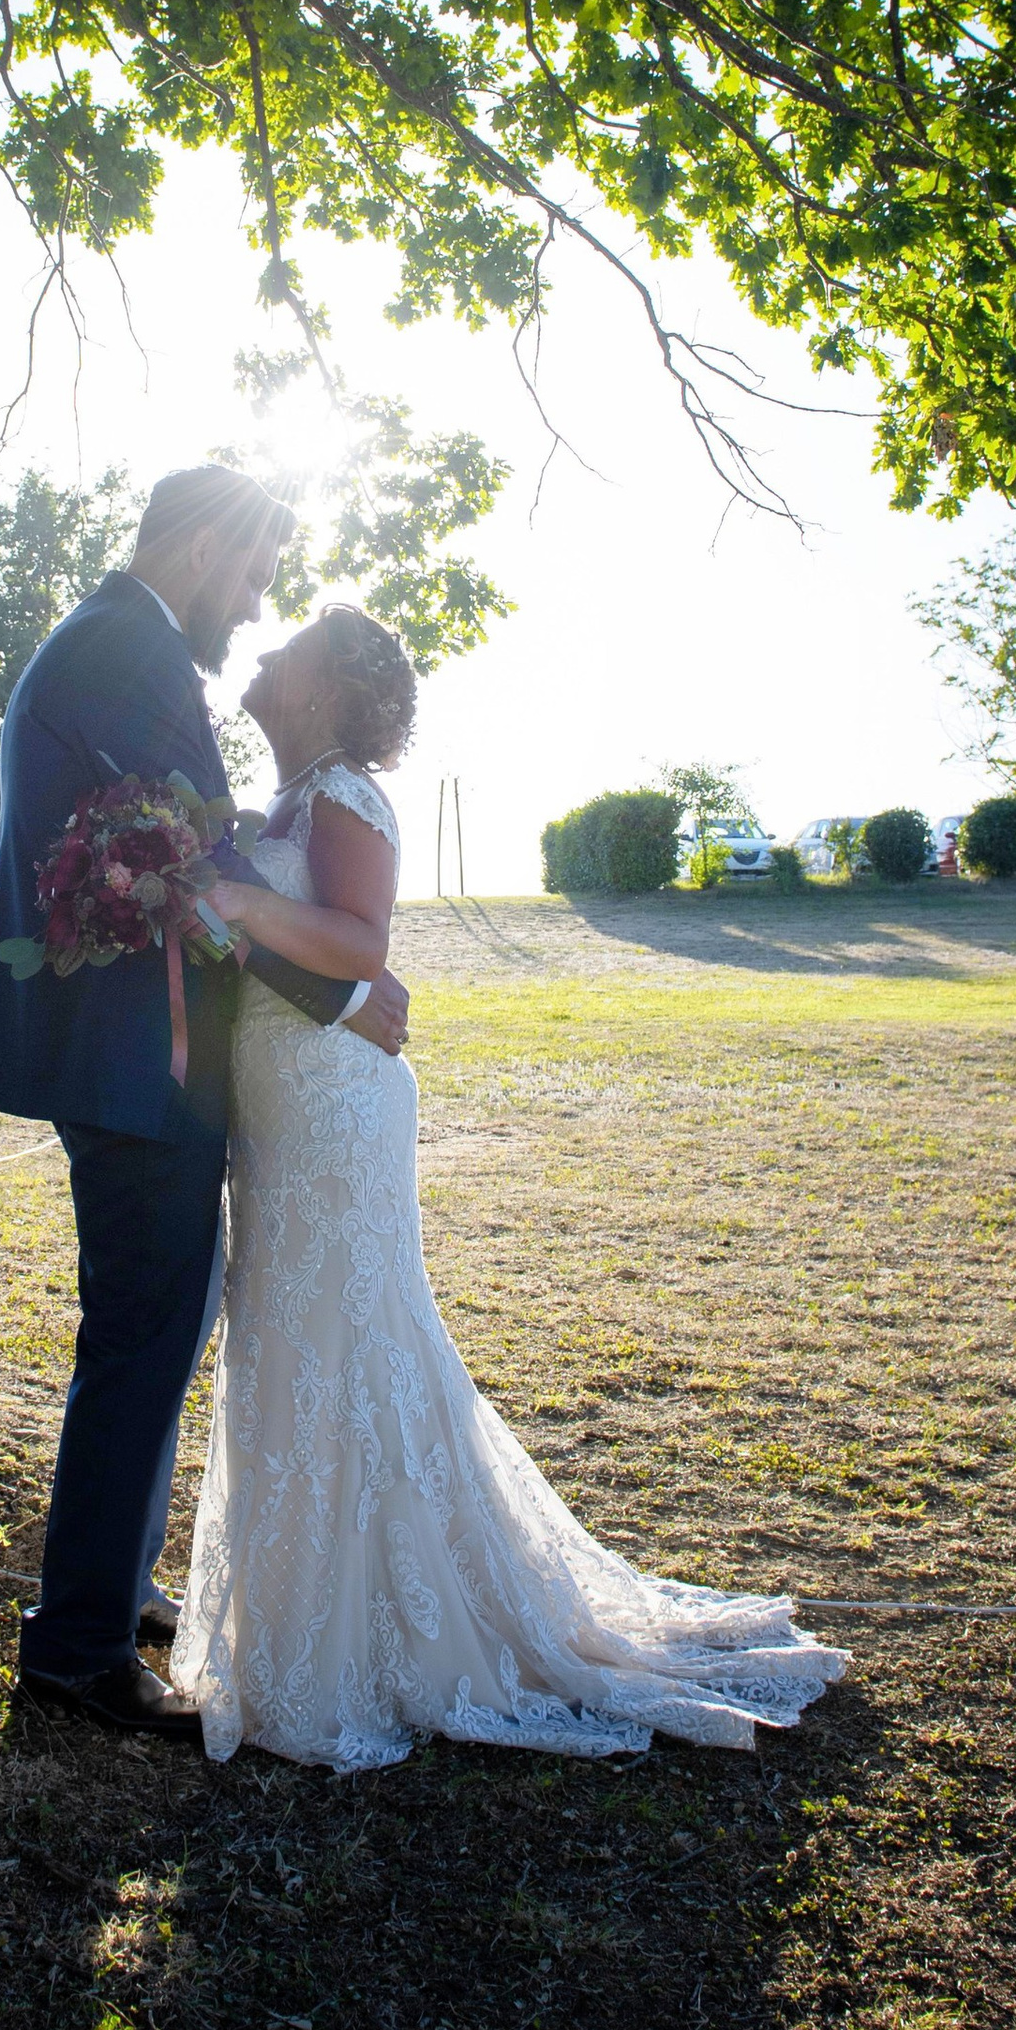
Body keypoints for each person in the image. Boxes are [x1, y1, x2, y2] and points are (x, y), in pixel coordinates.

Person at [176, 600, 848, 1768]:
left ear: (327, 691)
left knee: (345, 1336)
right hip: (281, 1110)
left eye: (288, 649)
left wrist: (234, 901)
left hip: (335, 1109)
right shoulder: (275, 805)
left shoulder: (343, 798)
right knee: (290, 1338)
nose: (262, 652)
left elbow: (357, 941)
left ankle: (388, 1634)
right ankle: (311, 1619)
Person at [0, 466, 409, 1740]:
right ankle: (79, 1648)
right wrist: (337, 999)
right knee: (144, 1335)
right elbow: (197, 870)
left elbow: (191, 868)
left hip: (136, 1056)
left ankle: (104, 1594)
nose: (259, 600)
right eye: (258, 570)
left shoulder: (123, 644)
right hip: (130, 1059)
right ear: (201, 546)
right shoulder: (126, 652)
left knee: (153, 1328)